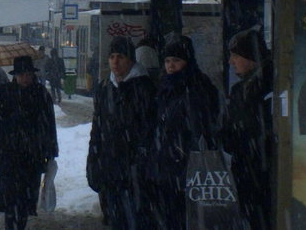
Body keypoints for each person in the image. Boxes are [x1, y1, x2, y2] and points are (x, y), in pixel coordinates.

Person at [150, 33, 220, 230]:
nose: (171, 65)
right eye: (167, 61)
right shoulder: (166, 87)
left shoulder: (198, 89)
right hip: (168, 168)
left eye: (176, 60)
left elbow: (202, 129)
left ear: (187, 61)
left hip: (187, 170)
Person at [87, 37, 157, 230]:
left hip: (134, 169)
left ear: (131, 60)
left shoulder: (144, 88)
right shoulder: (105, 88)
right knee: (115, 218)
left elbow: (148, 128)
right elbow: (97, 127)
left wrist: (140, 159)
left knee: (135, 219)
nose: (115, 62)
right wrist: (94, 160)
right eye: (112, 57)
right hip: (110, 166)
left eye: (120, 57)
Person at [0, 56, 59, 230]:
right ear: (15, 75)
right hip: (9, 155)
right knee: (10, 201)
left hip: (32, 156)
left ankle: (20, 224)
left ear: (32, 75)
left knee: (24, 202)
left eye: (27, 74)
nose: (24, 78)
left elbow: (49, 124)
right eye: (20, 74)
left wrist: (51, 151)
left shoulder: (41, 94)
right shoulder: (5, 92)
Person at [218, 28, 274, 230]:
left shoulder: (270, 89)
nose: (231, 62)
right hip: (249, 170)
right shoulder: (241, 90)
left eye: (235, 56)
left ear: (251, 57)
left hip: (258, 172)